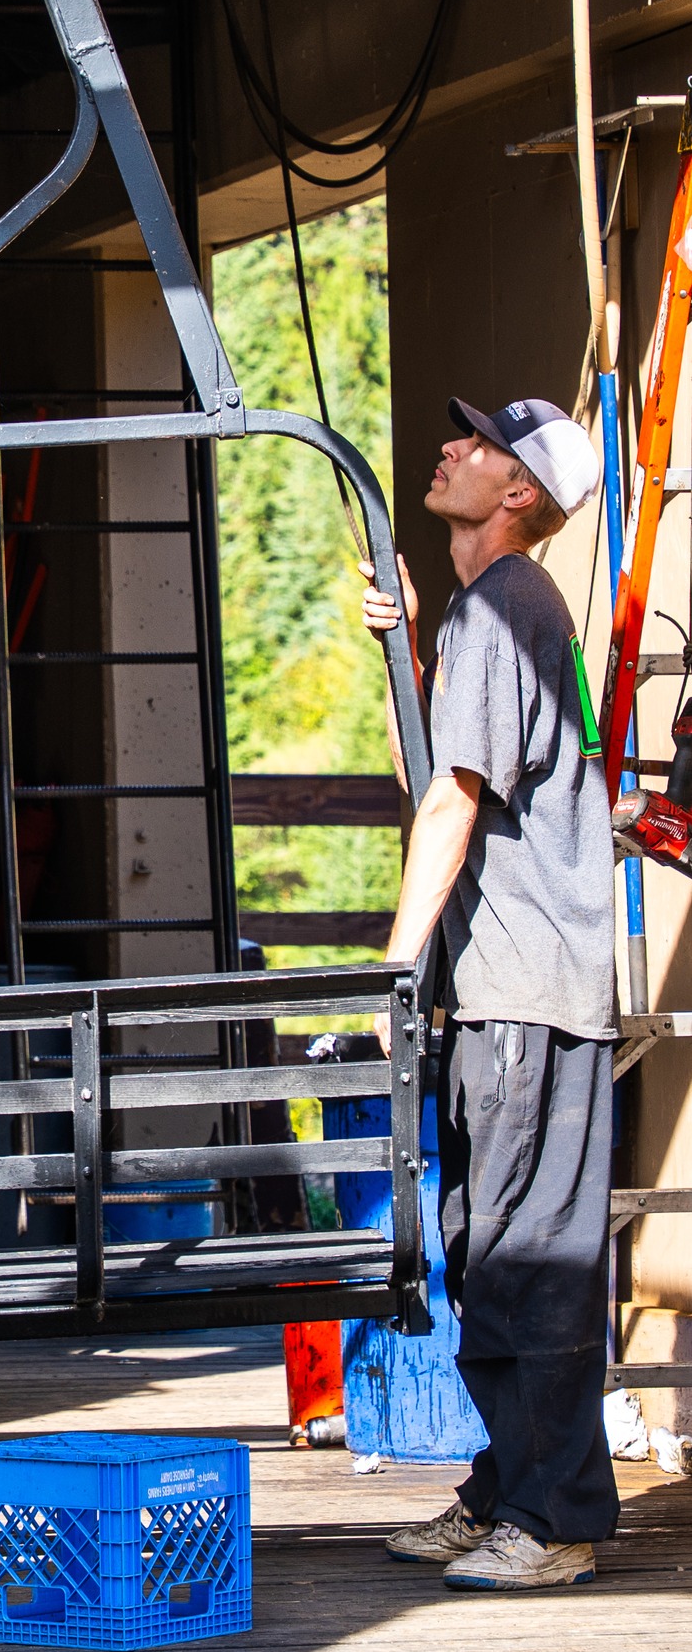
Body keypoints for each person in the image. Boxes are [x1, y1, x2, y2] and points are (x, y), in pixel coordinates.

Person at [361, 394, 617, 1591]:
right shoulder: (484, 611)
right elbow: (437, 770)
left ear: (517, 494)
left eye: (478, 443)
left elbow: (452, 801)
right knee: (484, 1250)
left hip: (526, 988)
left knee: (524, 1259)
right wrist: (406, 650)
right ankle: (508, 1484)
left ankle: (556, 1515)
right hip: (507, 988)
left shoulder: (509, 603)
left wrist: (395, 966)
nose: (450, 447)